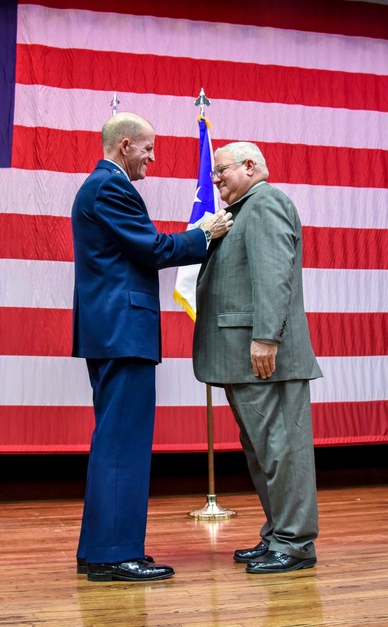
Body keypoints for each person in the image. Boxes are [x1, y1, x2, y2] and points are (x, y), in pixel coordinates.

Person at [71, 112, 232, 582]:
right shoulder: (111, 188)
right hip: (123, 330)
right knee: (123, 443)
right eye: (148, 149)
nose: (153, 158)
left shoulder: (99, 187)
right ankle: (114, 555)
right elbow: (153, 249)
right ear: (125, 146)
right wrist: (206, 234)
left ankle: (99, 548)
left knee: (113, 440)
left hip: (112, 330)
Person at [192, 142, 323, 574]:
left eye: (221, 170)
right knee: (264, 452)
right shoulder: (244, 209)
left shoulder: (266, 203)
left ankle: (295, 543)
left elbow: (274, 277)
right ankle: (278, 535)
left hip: (265, 356)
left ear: (251, 167)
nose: (215, 179)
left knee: (282, 450)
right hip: (245, 357)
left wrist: (266, 337)